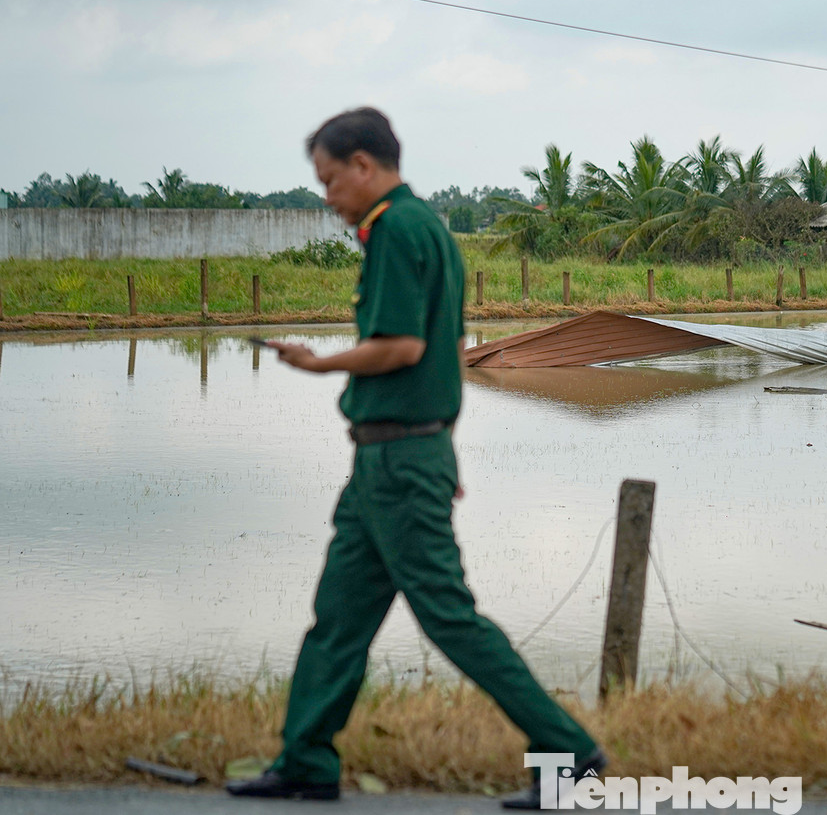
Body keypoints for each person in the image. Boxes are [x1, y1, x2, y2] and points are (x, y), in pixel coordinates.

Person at [226, 108, 604, 806]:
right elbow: (443, 360)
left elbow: (403, 347)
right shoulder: (426, 227)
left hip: (399, 463)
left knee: (449, 617)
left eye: (331, 180)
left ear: (365, 166)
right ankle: (306, 761)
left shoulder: (397, 229)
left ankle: (571, 754)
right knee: (339, 617)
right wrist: (444, 447)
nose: (328, 197)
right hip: (393, 459)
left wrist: (316, 363)